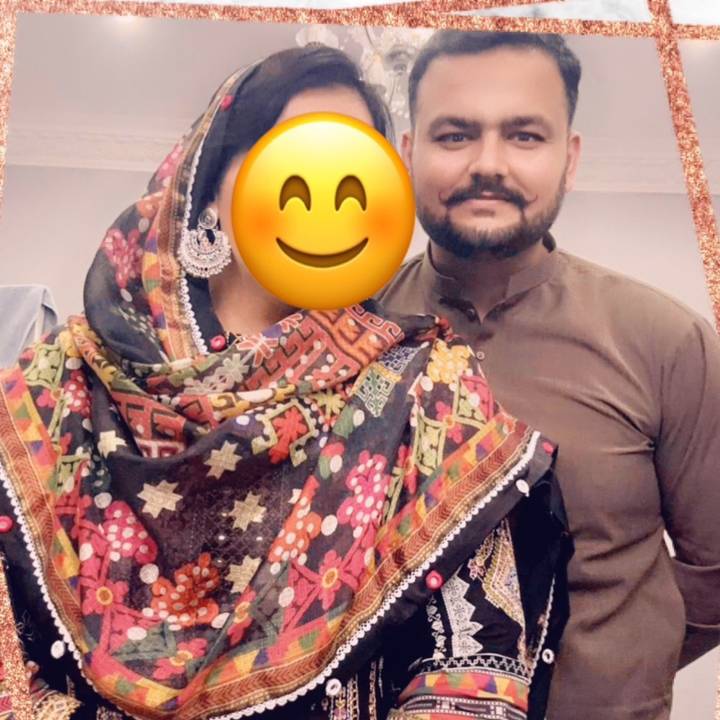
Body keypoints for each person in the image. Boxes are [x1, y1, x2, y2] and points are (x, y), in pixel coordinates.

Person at [0, 45, 571, 719]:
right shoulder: (56, 387)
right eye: (294, 153)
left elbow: (472, 671)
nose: (324, 190)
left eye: (354, 162)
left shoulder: (429, 389)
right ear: (210, 187)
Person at [376, 30, 720, 720]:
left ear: (571, 157)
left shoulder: (666, 341)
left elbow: (716, 570)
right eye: (455, 135)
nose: (488, 164)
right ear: (408, 154)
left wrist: (621, 663)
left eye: (525, 136)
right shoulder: (346, 332)